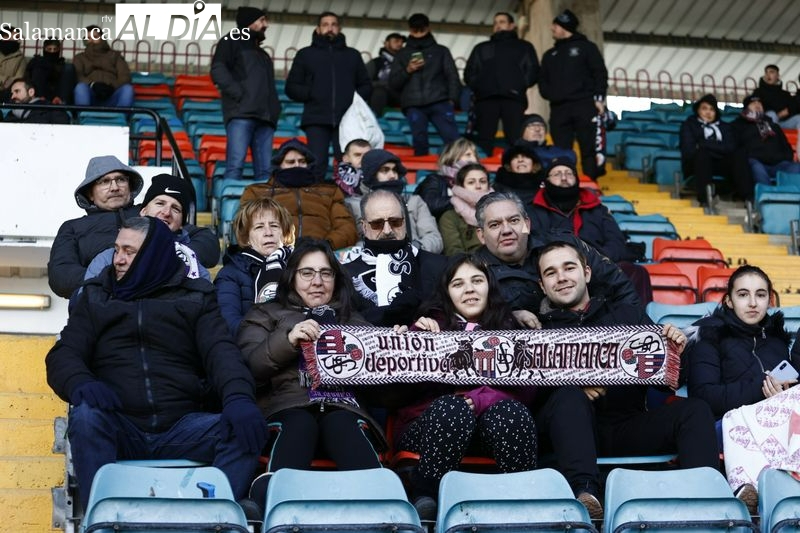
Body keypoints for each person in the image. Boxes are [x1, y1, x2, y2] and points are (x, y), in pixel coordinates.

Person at [46, 216, 268, 511]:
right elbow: (64, 353)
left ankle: (211, 515)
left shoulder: (195, 297)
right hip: (120, 424)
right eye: (117, 250)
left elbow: (222, 353)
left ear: (153, 254)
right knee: (86, 418)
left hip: (182, 427)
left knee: (246, 427)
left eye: (130, 251)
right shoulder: (96, 296)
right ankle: (101, 515)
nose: (119, 260)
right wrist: (81, 383)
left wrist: (239, 398)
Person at [534, 240, 719, 518]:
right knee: (569, 397)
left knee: (694, 411)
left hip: (626, 425)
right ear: (542, 285)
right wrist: (571, 382)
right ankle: (587, 497)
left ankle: (707, 499)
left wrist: (675, 353)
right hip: (567, 435)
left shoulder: (626, 314)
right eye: (551, 272)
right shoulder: (534, 330)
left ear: (586, 273)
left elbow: (670, 380)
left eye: (568, 268)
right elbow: (527, 395)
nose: (561, 277)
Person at [237, 238, 386, 505]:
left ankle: (382, 508)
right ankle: (271, 503)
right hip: (286, 407)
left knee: (341, 422)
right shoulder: (264, 314)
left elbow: (386, 393)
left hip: (345, 409)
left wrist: (393, 352)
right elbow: (250, 367)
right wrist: (288, 339)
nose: (317, 281)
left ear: (336, 279)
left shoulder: (354, 321)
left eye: (325, 273)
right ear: (292, 277)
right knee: (300, 423)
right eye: (307, 273)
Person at [393, 254, 537, 519]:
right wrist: (408, 341)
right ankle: (426, 497)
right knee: (453, 409)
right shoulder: (428, 326)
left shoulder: (512, 329)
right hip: (427, 430)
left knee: (511, 413)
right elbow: (399, 389)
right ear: (447, 293)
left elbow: (526, 389)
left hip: (490, 432)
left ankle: (521, 502)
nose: (469, 289)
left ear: (489, 287)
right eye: (458, 284)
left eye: (477, 281)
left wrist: (479, 398)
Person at [474, 191, 640, 330]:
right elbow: (467, 325)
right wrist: (507, 317)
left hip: (598, 336)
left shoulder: (566, 244)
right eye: (495, 225)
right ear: (481, 235)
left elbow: (619, 287)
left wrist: (630, 333)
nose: (507, 230)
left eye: (514, 220)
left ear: (527, 224)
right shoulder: (473, 271)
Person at [530, 157, 653, 303]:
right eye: (557, 174)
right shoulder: (533, 210)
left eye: (569, 174)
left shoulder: (597, 209)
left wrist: (595, 261)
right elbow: (535, 243)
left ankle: (636, 323)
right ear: (546, 181)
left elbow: (616, 242)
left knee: (635, 271)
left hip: (598, 265)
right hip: (558, 267)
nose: (564, 178)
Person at [686, 265, 798, 419]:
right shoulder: (710, 336)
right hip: (726, 430)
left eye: (760, 295)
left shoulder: (778, 341)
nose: (753, 303)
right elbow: (703, 397)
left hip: (778, 429)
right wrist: (761, 387)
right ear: (729, 301)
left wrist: (783, 396)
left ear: (769, 300)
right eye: (743, 294)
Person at [81, 173, 220, 285]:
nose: (166, 212)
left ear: (182, 224)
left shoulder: (194, 265)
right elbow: (84, 306)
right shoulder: (109, 258)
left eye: (176, 209)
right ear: (143, 211)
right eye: (160, 203)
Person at [285, 12, 371, 181]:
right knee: (317, 164)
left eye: (333, 24)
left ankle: (347, 203)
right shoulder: (305, 54)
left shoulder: (352, 55)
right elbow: (291, 87)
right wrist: (312, 94)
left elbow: (366, 85)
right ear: (318, 29)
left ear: (339, 28)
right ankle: (315, 203)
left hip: (348, 119)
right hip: (316, 118)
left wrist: (353, 101)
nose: (329, 28)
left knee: (348, 166)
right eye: (325, 24)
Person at [343, 189, 447, 326]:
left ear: (404, 222)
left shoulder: (439, 266)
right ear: (364, 226)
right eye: (377, 224)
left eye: (395, 222)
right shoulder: (346, 274)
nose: (387, 230)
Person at [48, 155, 144, 299]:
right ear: (90, 194)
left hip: (149, 304)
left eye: (121, 179)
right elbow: (60, 275)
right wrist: (107, 279)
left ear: (129, 187)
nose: (115, 188)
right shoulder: (72, 228)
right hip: (99, 307)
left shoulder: (148, 213)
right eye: (105, 181)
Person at [240, 138, 358, 250]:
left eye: (302, 162)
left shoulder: (329, 192)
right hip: (273, 254)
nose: (297, 166)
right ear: (279, 165)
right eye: (290, 162)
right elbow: (245, 226)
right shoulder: (256, 192)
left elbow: (346, 227)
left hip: (320, 255)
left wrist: (325, 245)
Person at [211, 7, 280, 183]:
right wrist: (240, 94)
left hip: (265, 118)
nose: (266, 25)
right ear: (250, 21)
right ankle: (228, 210)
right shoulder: (230, 41)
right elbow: (218, 70)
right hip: (241, 113)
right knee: (235, 166)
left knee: (266, 172)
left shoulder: (263, 54)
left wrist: (275, 108)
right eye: (262, 20)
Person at [538, 9, 608, 180]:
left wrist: (599, 99)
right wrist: (551, 94)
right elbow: (543, 81)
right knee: (561, 151)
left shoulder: (587, 48)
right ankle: (565, 183)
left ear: (564, 26)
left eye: (555, 25)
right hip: (559, 108)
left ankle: (592, 185)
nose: (552, 28)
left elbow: (599, 73)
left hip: (584, 105)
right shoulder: (549, 55)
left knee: (589, 148)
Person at [215, 197, 295, 336]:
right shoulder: (230, 274)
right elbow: (229, 324)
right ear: (246, 238)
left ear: (284, 232)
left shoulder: (300, 267)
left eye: (274, 226)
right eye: (259, 227)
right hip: (253, 347)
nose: (268, 232)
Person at [464, 12, 539, 154]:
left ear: (511, 25)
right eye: (495, 23)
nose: (498, 25)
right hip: (486, 100)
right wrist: (481, 87)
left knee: (515, 138)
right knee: (484, 139)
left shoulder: (524, 46)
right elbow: (470, 72)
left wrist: (519, 85)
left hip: (513, 98)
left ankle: (516, 171)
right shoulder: (481, 48)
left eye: (502, 22)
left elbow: (533, 70)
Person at [388, 13, 461, 156]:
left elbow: (452, 76)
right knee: (419, 144)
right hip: (413, 104)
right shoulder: (402, 54)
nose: (419, 33)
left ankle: (462, 174)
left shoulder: (441, 51)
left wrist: (452, 100)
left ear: (428, 28)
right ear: (410, 30)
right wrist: (408, 70)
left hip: (439, 101)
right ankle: (424, 176)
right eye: (415, 30)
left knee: (453, 142)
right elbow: (393, 83)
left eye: (422, 29)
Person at [359, 148, 443, 253]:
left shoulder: (414, 201)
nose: (392, 175)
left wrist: (413, 249)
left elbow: (435, 239)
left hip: (413, 262)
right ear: (371, 174)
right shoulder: (356, 204)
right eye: (385, 170)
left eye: (394, 170)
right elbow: (353, 244)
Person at [679, 94, 747, 204]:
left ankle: (747, 198)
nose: (708, 112)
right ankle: (705, 199)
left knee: (739, 154)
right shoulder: (689, 125)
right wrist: (717, 147)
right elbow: (689, 149)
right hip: (696, 164)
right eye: (704, 108)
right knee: (703, 155)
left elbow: (731, 147)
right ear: (698, 110)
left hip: (721, 162)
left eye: (712, 109)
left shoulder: (725, 127)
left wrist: (703, 143)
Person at [732, 95, 800, 187]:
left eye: (759, 103)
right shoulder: (739, 124)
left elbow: (785, 146)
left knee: (796, 167)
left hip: (778, 164)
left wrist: (784, 157)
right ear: (746, 107)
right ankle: (766, 197)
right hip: (756, 162)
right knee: (756, 167)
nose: (757, 104)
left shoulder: (774, 126)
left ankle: (788, 196)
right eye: (753, 103)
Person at [413, 138, 480, 219]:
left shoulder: (481, 183)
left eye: (475, 155)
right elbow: (429, 204)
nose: (474, 159)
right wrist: (465, 199)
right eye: (468, 155)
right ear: (453, 157)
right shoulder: (435, 180)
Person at [438, 163, 493, 255]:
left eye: (483, 181)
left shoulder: (500, 211)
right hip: (471, 266)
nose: (478, 186)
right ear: (461, 186)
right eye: (471, 182)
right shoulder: (450, 217)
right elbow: (454, 253)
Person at [73, 25, 134, 108]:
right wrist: (92, 85)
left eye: (95, 37)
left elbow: (125, 76)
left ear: (102, 38)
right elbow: (78, 75)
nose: (92, 40)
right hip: (91, 95)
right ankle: (84, 116)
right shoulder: (79, 58)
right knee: (80, 88)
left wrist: (111, 87)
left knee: (127, 89)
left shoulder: (115, 56)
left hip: (112, 95)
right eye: (89, 38)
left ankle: (120, 118)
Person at [493, 144, 546, 217]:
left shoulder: (546, 187)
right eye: (515, 157)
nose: (520, 160)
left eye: (526, 157)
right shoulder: (497, 187)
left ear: (534, 164)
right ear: (509, 165)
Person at [365, 32, 405, 116]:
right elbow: (365, 83)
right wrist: (384, 84)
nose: (400, 44)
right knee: (379, 92)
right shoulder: (375, 63)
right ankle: (376, 121)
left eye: (402, 42)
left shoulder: (406, 63)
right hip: (380, 95)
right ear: (386, 43)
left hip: (401, 96)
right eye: (396, 41)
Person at [25, 39, 75, 105]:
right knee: (38, 69)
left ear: (59, 50)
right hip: (41, 94)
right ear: (44, 49)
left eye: (55, 49)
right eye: (49, 49)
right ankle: (40, 101)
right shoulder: (37, 63)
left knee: (69, 68)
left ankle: (62, 103)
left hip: (59, 95)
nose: (52, 52)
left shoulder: (63, 65)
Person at [753, 64, 800, 130]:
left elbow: (793, 107)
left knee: (799, 118)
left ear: (778, 75)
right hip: (765, 124)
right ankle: (774, 139)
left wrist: (788, 110)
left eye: (771, 72)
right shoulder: (758, 92)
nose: (768, 75)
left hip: (782, 123)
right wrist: (778, 115)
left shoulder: (785, 94)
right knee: (772, 114)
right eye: (766, 72)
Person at [334, 138, 372, 219]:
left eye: (367, 155)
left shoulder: (379, 175)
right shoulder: (335, 183)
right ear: (346, 158)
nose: (363, 159)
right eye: (357, 155)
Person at [6, 77, 70, 124]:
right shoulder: (10, 114)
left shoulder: (50, 109)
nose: (12, 97)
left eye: (17, 91)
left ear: (31, 92)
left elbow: (63, 123)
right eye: (12, 93)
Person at [0, 26, 26, 102]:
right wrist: (5, 80)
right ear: (5, 37)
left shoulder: (20, 57)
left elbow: (19, 77)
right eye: (16, 37)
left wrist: (9, 82)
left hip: (9, 92)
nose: (18, 40)